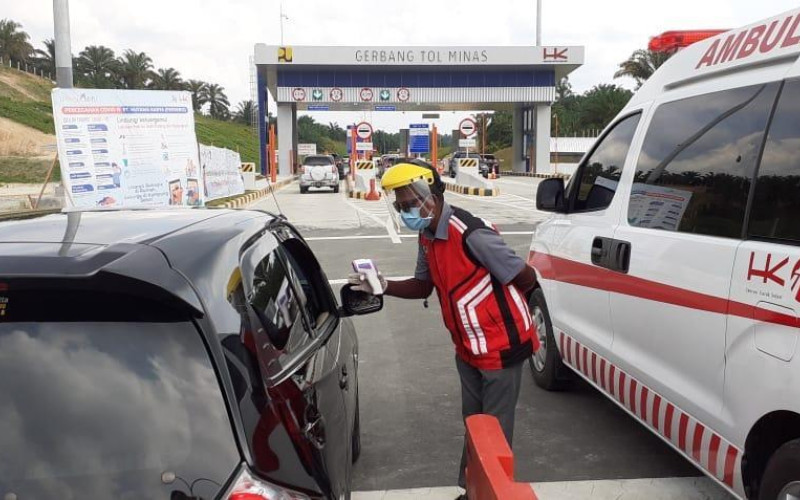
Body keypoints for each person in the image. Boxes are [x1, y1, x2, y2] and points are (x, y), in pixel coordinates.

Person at [349, 159, 539, 499]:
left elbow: (525, 277)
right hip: (467, 348)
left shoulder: (469, 233)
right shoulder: (426, 236)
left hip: (501, 347)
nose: (405, 210)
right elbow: (423, 286)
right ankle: (470, 490)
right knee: (474, 424)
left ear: (431, 193)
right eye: (400, 205)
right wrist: (382, 285)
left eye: (409, 202)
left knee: (493, 432)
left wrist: (504, 318)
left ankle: (486, 494)